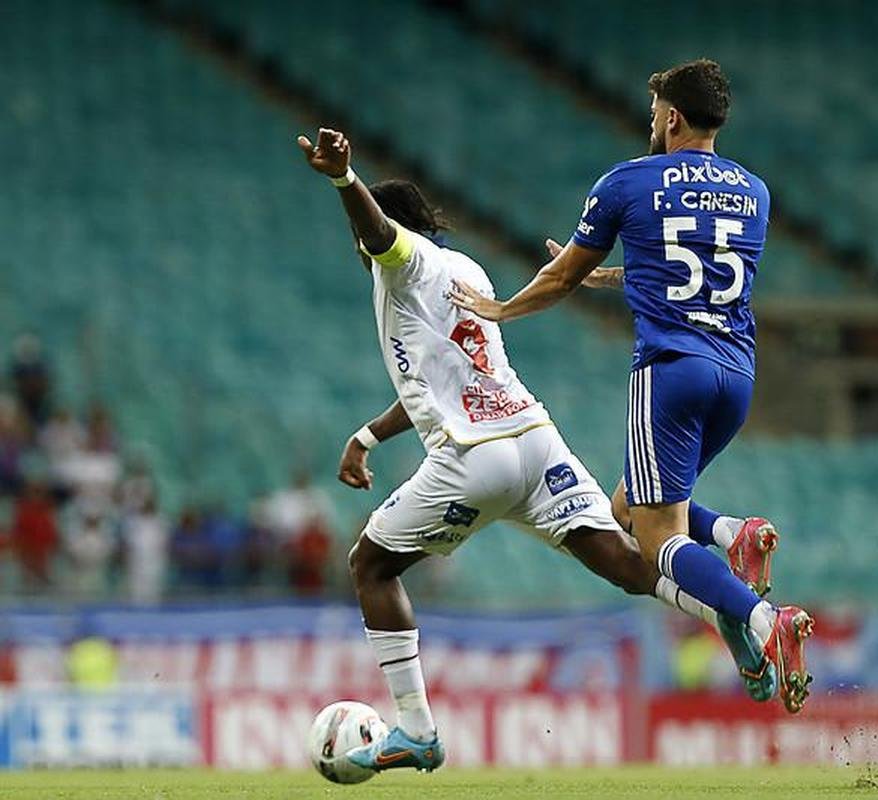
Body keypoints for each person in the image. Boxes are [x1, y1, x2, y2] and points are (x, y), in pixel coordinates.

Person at [297, 126, 774, 774]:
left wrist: (342, 180)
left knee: (370, 567)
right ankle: (721, 606)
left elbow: (381, 238)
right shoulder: (465, 270)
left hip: (474, 459)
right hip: (533, 439)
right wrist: (368, 434)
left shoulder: (405, 264)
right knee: (628, 563)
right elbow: (446, 379)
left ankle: (415, 730)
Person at [448, 58, 813, 714]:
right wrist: (615, 278)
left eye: (653, 115)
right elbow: (689, 265)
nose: (651, 125)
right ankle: (732, 533)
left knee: (655, 540)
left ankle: (765, 622)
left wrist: (501, 308)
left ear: (671, 116)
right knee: (626, 504)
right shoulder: (753, 192)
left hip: (672, 371)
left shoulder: (627, 182)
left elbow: (558, 278)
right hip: (735, 375)